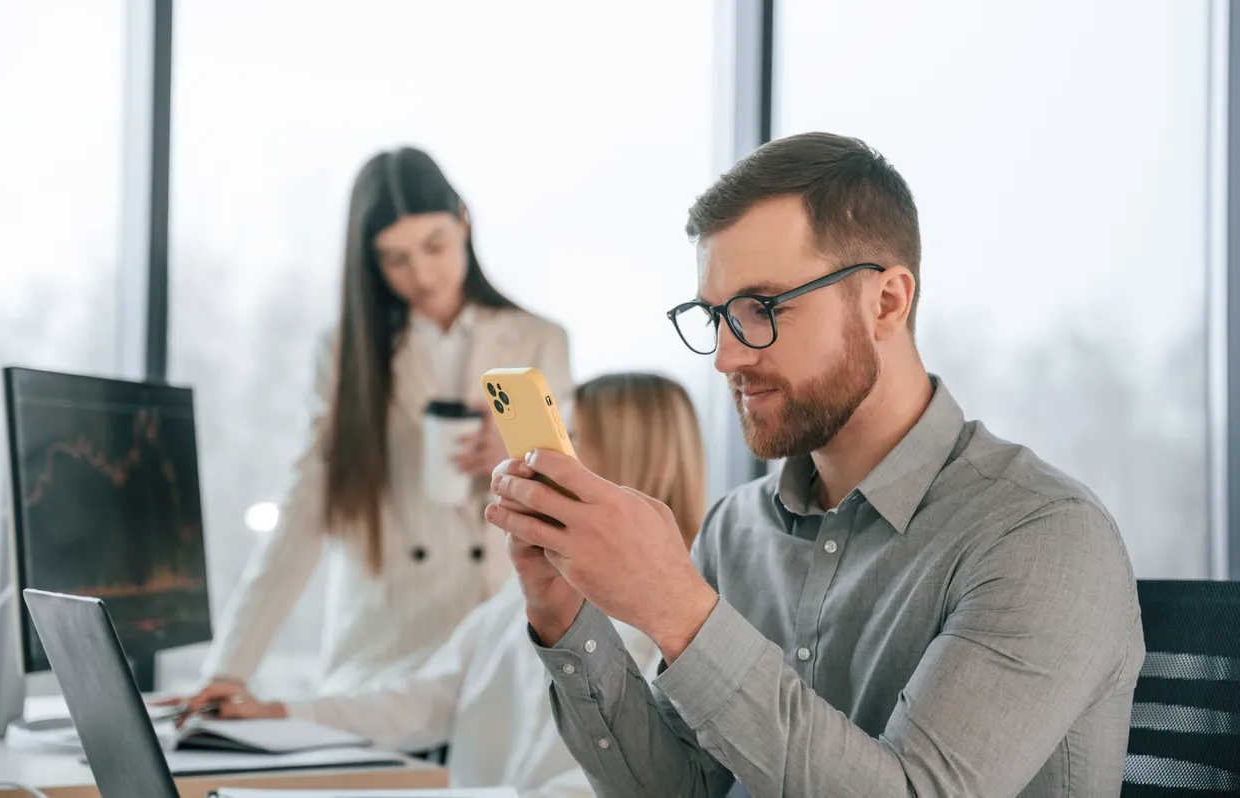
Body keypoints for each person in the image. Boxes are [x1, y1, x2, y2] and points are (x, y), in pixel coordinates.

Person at [487, 132, 1146, 797]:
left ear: (886, 302)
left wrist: (680, 612)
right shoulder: (736, 529)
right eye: (715, 315)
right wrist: (563, 612)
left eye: (761, 309)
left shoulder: (1042, 539)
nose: (725, 357)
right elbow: (682, 790)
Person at [189, 373, 706, 798]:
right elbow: (425, 700)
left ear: (625, 461)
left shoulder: (672, 618)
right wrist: (278, 712)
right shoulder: (524, 590)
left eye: (569, 438)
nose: (546, 458)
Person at [188, 147, 573, 707]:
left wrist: (520, 450)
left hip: (504, 643)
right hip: (385, 650)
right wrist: (230, 668)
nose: (420, 274)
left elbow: (577, 489)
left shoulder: (540, 339)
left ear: (464, 221)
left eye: (434, 246)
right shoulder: (347, 351)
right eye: (395, 259)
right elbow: (303, 510)